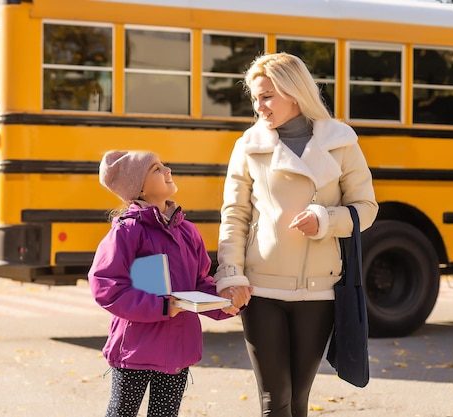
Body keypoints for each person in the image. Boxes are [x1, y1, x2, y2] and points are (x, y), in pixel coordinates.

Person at [214, 52, 379, 417]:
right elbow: (235, 215)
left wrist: (325, 221)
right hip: (261, 288)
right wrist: (231, 273)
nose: (259, 106)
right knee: (275, 401)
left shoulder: (341, 142)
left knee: (298, 399)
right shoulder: (248, 146)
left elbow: (366, 208)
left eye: (267, 96)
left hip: (320, 291)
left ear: (295, 92)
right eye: (255, 97)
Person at [88, 150, 248, 417]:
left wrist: (227, 301)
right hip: (135, 352)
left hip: (178, 351)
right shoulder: (127, 231)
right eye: (156, 169)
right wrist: (163, 306)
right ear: (139, 188)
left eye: (163, 165)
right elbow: (106, 287)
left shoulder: (188, 232)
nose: (167, 170)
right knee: (121, 413)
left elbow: (200, 284)